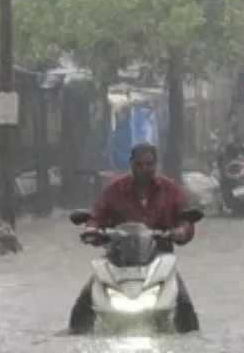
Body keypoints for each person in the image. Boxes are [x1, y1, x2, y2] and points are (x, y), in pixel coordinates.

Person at [70, 142, 199, 333]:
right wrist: (92, 230)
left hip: (159, 261)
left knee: (185, 306)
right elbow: (96, 216)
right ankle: (75, 335)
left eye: (149, 165)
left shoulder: (169, 189)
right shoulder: (115, 190)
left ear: (156, 165)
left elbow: (185, 218)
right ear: (131, 164)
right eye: (139, 165)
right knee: (83, 303)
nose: (144, 170)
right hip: (118, 260)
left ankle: (191, 339)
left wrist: (181, 230)